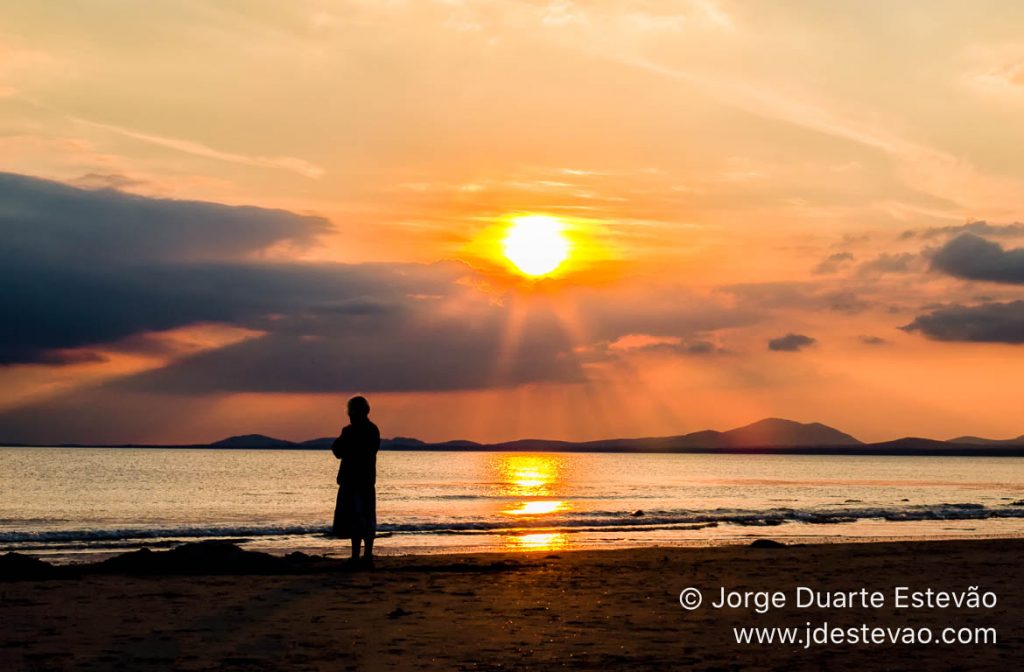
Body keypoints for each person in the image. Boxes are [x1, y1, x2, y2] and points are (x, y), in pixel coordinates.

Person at [331, 395, 380, 570]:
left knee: (358, 518)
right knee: (364, 518)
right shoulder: (372, 430)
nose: (349, 415)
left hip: (355, 480)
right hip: (365, 479)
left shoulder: (350, 431)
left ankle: (359, 557)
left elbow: (337, 450)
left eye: (350, 412)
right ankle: (364, 557)